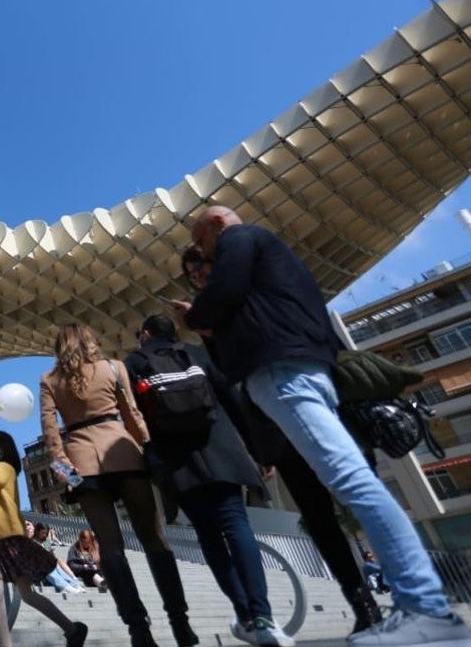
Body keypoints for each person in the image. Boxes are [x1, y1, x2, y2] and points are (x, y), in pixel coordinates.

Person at [172, 205, 469, 647]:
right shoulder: (270, 276)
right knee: (350, 484)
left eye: (200, 242)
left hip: (285, 375)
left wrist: (194, 318)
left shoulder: (239, 239)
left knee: (353, 483)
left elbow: (225, 290)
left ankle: (425, 605)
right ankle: (414, 606)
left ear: (215, 225)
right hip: (301, 370)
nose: (201, 253)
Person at [182, 245, 384, 635]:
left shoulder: (262, 292)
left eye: (202, 268)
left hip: (319, 406)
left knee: (360, 496)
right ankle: (362, 601)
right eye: (192, 277)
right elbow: (230, 379)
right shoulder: (220, 319)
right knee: (319, 518)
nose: (200, 278)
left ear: (223, 262)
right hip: (278, 426)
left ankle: (409, 592)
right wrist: (209, 336)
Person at [126, 314, 294, 647]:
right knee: (236, 523)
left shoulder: (134, 362)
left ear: (144, 335)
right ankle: (262, 614)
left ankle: (244, 613)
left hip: (178, 459)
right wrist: (259, 449)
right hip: (220, 448)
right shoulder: (195, 354)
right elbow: (232, 400)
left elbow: (133, 415)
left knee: (208, 534)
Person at [40, 324, 197, 647]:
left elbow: (51, 438)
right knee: (154, 540)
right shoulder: (114, 367)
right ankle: (180, 622)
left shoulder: (50, 381)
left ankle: (138, 629)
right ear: (90, 341)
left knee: (110, 549)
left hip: (83, 466)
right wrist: (147, 450)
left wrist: (67, 476)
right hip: (125, 455)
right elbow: (133, 416)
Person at [0, 428, 89, 647]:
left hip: (9, 540)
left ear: (2, 448)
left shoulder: (4, 468)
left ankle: (7, 643)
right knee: (22, 593)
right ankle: (72, 629)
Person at [34, 524, 87, 594]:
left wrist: (50, 552)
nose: (44, 535)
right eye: (42, 533)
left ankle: (73, 584)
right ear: (37, 532)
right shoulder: (33, 541)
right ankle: (65, 586)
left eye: (46, 533)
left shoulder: (46, 541)